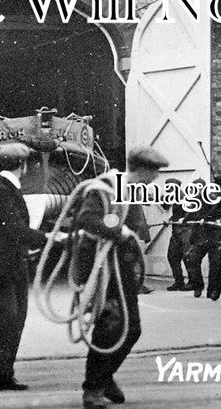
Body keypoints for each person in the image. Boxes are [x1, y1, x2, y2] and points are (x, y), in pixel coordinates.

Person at [73, 146, 168, 409]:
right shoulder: (104, 187)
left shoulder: (130, 192)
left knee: (131, 329)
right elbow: (87, 219)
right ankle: (93, 388)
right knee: (110, 327)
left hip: (121, 267)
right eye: (154, 171)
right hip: (102, 268)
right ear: (141, 169)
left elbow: (133, 228)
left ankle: (105, 376)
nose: (155, 178)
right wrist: (119, 229)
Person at [0, 143, 56, 393]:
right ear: (23, 165)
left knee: (14, 320)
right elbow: (14, 229)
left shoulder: (6, 189)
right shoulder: (3, 190)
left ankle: (4, 373)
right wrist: (48, 238)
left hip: (11, 266)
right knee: (3, 319)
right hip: (0, 269)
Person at [162, 179, 192, 291]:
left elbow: (190, 211)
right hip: (176, 231)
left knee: (187, 257)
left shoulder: (183, 197)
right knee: (172, 256)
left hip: (185, 231)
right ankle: (179, 281)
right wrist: (170, 220)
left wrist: (184, 219)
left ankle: (192, 282)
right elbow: (174, 212)